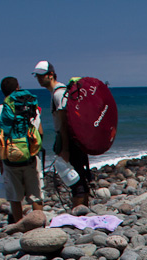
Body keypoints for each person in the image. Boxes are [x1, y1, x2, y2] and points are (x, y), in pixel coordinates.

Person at [32, 60, 91, 207]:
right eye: (37, 76)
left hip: (70, 142)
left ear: (51, 74)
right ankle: (84, 211)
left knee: (75, 180)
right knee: (80, 177)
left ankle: (79, 213)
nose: (39, 79)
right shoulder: (61, 92)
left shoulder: (59, 94)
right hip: (76, 139)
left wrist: (64, 149)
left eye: (42, 75)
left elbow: (64, 123)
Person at [0, 76, 43, 224]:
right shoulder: (31, 106)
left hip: (10, 159)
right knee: (36, 196)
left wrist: (1, 161)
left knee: (15, 197)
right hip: (31, 158)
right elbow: (40, 132)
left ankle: (18, 226)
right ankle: (39, 225)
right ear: (18, 88)